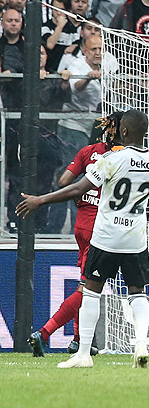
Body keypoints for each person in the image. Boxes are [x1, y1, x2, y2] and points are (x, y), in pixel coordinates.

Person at [17, 110, 149, 369]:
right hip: (136, 239)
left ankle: (83, 354)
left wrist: (40, 200)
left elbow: (77, 188)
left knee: (92, 292)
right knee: (137, 294)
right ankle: (141, 342)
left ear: (124, 131)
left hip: (106, 237)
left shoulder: (111, 159)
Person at [26, 113, 123, 357]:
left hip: (81, 224)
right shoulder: (122, 157)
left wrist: (83, 190)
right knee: (88, 289)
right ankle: (45, 332)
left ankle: (80, 340)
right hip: (99, 228)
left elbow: (63, 181)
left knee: (86, 282)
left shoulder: (87, 151)